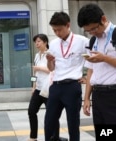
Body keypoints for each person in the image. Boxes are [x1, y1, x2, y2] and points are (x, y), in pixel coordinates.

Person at [44, 12, 88, 141]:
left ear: (68, 25)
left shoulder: (82, 41)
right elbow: (51, 68)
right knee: (49, 121)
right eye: (54, 30)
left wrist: (85, 76)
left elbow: (92, 61)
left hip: (72, 86)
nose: (57, 33)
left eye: (59, 29)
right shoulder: (53, 44)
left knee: (73, 123)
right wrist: (49, 61)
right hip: (56, 86)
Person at [77, 3, 116, 139]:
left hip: (113, 94)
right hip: (98, 96)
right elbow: (90, 71)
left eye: (94, 28)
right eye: (88, 31)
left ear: (103, 19)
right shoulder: (93, 40)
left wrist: (105, 58)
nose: (92, 32)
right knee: (102, 135)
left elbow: (103, 60)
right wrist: (87, 98)